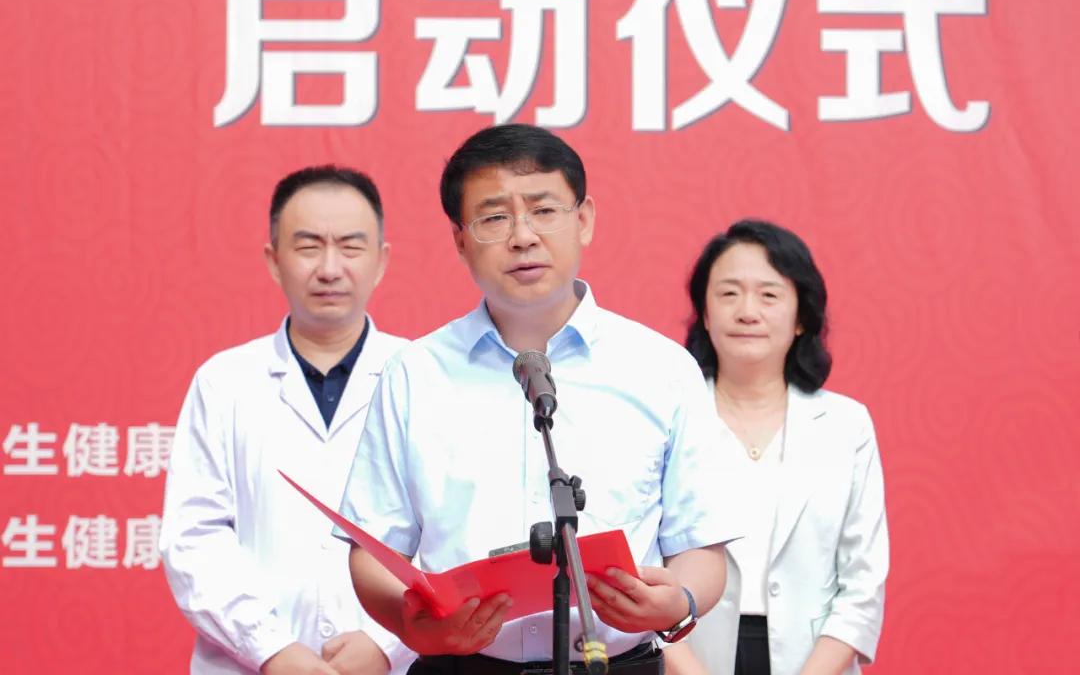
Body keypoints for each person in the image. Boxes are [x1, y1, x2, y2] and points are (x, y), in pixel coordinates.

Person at [336, 124, 739, 674]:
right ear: (460, 240)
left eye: (544, 210)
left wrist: (680, 602)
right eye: (494, 218)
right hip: (465, 668)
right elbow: (373, 549)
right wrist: (412, 626)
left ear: (584, 219)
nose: (523, 236)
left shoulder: (661, 369)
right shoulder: (415, 373)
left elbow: (701, 545)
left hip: (618, 665)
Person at [160, 166, 412, 675]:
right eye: (308, 246)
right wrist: (272, 649)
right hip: (249, 664)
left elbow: (452, 535)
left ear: (381, 261)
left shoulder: (422, 376)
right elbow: (193, 539)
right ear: (274, 260)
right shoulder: (224, 381)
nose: (330, 268)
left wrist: (390, 642)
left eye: (351, 247)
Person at [669, 219, 888, 675]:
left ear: (801, 317)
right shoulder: (669, 419)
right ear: (705, 313)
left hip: (814, 661)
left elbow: (862, 585)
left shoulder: (846, 426)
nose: (748, 311)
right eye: (729, 293)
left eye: (769, 295)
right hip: (691, 659)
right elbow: (637, 572)